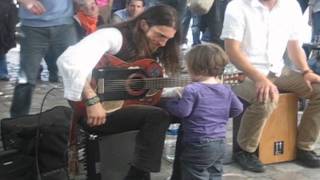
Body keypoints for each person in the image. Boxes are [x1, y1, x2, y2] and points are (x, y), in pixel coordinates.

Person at [57, 5, 181, 180]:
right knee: (157, 116)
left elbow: (149, 86)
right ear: (144, 25)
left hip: (129, 105)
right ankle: (137, 175)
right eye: (160, 35)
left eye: (168, 39)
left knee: (184, 108)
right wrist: (92, 100)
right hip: (97, 112)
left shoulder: (156, 47)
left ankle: (184, 172)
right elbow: (69, 60)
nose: (163, 43)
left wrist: (181, 89)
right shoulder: (113, 36)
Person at [221, 0, 320, 172]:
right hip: (239, 73)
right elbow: (232, 51)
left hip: (277, 70)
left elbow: (294, 46)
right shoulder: (237, 5)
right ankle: (245, 150)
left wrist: (306, 71)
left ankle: (304, 147)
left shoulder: (291, 6)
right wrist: (259, 77)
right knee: (266, 97)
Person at [163, 43, 243, 180]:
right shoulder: (225, 89)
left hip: (197, 142)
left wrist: (169, 103)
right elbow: (238, 108)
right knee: (215, 173)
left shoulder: (192, 89)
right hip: (219, 142)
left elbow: (183, 112)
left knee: (194, 173)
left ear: (194, 68)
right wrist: (219, 113)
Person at [10, 0, 78, 118]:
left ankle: (85, 121)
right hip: (32, 27)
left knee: (78, 74)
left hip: (65, 25)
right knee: (26, 79)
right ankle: (16, 123)